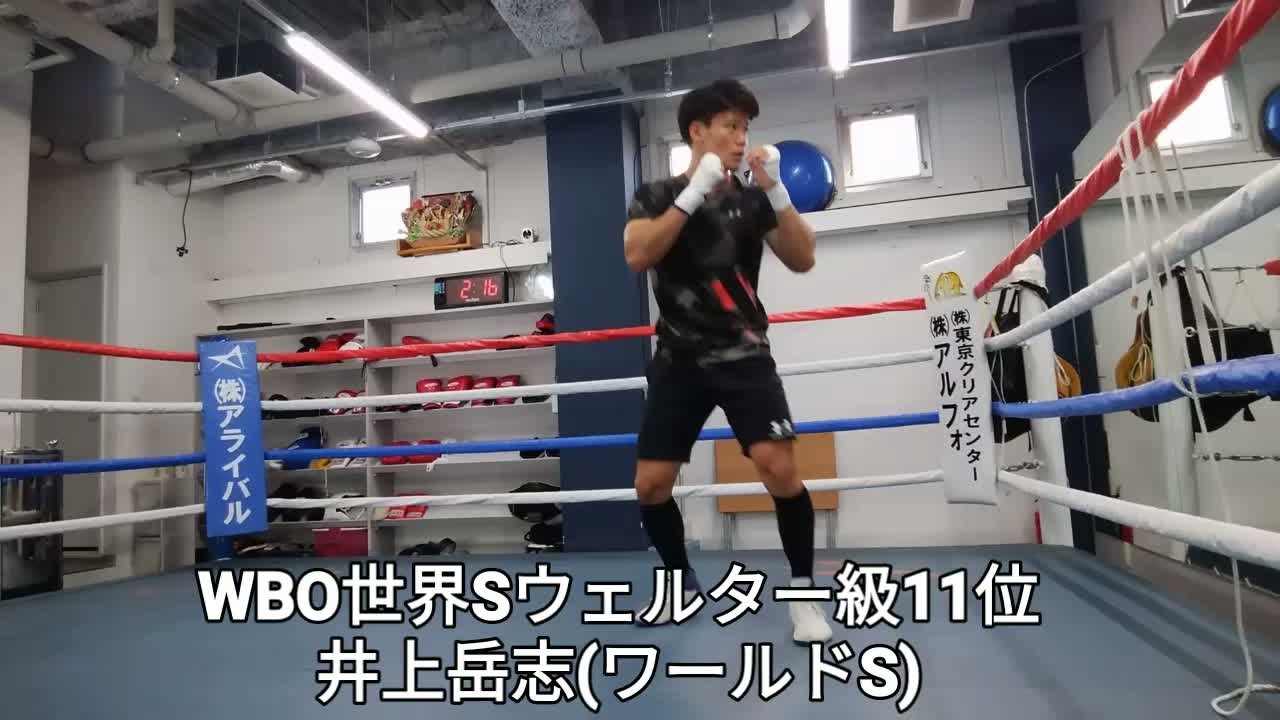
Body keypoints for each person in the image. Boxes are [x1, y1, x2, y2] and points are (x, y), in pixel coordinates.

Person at [622, 78, 831, 643]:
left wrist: (777, 190)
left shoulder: (752, 200)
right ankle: (680, 586)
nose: (742, 139)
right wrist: (692, 196)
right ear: (697, 131)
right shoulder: (656, 195)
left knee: (779, 469)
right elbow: (638, 254)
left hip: (744, 353)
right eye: (730, 127)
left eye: (746, 128)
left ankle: (804, 598)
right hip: (679, 358)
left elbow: (803, 258)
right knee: (650, 485)